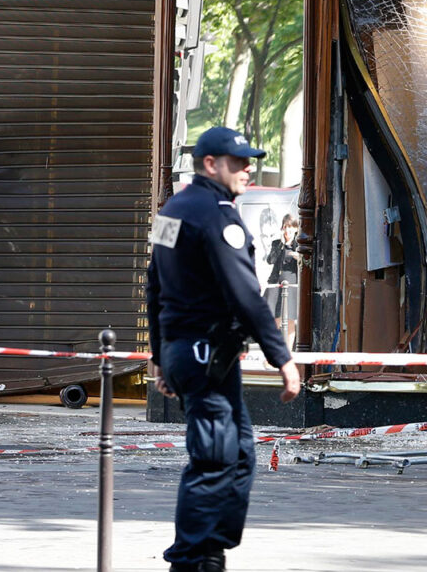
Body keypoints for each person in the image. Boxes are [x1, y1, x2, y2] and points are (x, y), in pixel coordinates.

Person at [146, 127, 300, 572]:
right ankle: (193, 560)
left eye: (250, 161)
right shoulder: (216, 215)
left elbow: (155, 286)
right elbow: (245, 295)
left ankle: (210, 551)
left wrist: (160, 353)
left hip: (194, 352)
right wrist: (283, 358)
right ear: (210, 164)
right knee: (215, 458)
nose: (248, 169)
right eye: (239, 162)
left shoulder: (172, 210)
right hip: (203, 353)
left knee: (238, 453)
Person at [262, 214, 300, 341]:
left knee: (290, 319)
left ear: (295, 229)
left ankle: (288, 353)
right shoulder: (277, 243)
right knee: (274, 319)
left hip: (291, 284)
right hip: (276, 284)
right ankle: (272, 353)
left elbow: (304, 261)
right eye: (285, 227)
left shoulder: (298, 244)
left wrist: (297, 256)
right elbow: (270, 260)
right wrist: (281, 245)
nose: (287, 230)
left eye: (290, 227)